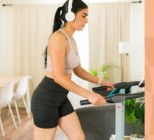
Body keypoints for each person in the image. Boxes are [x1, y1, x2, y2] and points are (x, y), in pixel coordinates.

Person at [31, 0, 115, 140]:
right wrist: (89, 95)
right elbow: (58, 77)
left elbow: (78, 70)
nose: (86, 20)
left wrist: (101, 81)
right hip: (45, 99)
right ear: (70, 16)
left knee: (78, 137)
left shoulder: (71, 40)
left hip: (60, 97)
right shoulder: (58, 38)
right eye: (84, 15)